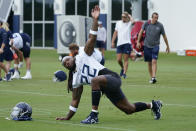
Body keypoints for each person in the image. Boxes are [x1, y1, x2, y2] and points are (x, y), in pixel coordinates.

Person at [56, 6, 162, 124]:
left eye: (67, 60)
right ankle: (153, 105)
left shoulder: (82, 56)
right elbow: (75, 101)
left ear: (72, 57)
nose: (66, 62)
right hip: (105, 87)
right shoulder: (75, 79)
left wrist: (95, 19)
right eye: (64, 64)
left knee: (95, 80)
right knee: (129, 109)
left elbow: (92, 38)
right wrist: (67, 117)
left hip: (111, 77)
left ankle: (93, 116)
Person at [137, 12, 170, 84]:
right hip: (147, 46)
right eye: (155, 17)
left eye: (157, 18)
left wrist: (167, 46)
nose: (156, 19)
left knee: (154, 61)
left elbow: (164, 36)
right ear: (152, 17)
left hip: (155, 46)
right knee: (149, 63)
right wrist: (138, 42)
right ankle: (152, 77)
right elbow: (140, 32)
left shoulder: (160, 25)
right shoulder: (146, 24)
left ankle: (154, 77)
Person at [111, 12, 135, 79]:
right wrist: (112, 42)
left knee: (126, 60)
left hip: (127, 43)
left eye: (124, 17)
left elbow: (134, 22)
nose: (123, 18)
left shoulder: (129, 23)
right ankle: (122, 68)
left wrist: (130, 16)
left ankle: (124, 73)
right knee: (118, 60)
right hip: (119, 44)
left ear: (127, 17)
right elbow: (115, 33)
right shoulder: (118, 23)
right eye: (122, 17)